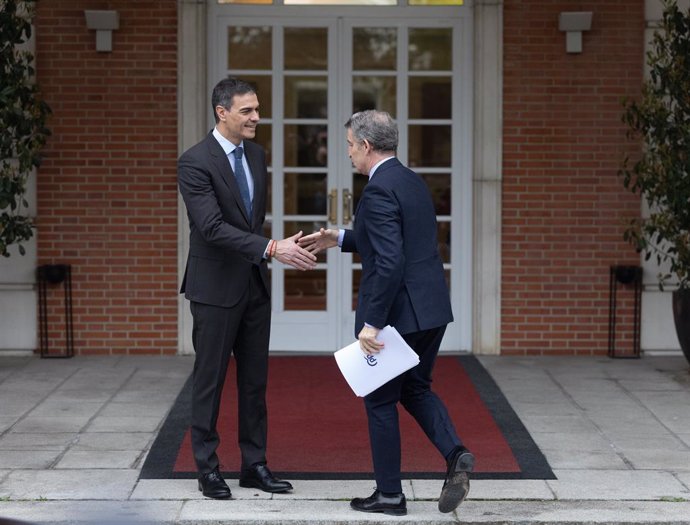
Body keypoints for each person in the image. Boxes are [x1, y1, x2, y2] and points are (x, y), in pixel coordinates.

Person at [299, 110, 474, 516]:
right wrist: (340, 238)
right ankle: (456, 454)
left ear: (365, 145)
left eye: (348, 146)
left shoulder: (377, 191)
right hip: (432, 310)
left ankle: (390, 496)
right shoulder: (410, 181)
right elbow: (396, 240)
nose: (347, 155)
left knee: (379, 400)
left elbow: (390, 261)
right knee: (415, 389)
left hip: (399, 316)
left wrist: (371, 323)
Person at [178, 77, 317, 499]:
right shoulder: (195, 161)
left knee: (255, 383)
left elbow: (249, 222)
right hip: (215, 288)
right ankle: (208, 469)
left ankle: (254, 465)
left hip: (254, 284)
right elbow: (213, 227)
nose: (257, 117)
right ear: (222, 112)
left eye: (257, 109)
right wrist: (273, 248)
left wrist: (272, 249)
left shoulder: (257, 155)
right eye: (247, 111)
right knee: (210, 381)